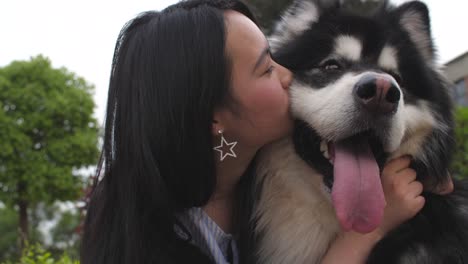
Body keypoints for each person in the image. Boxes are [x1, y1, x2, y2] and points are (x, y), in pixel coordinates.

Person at [80, 0, 452, 263]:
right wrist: (367, 233)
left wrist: (430, 174)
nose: (287, 74)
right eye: (267, 68)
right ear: (212, 116)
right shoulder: (151, 236)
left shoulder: (242, 175)